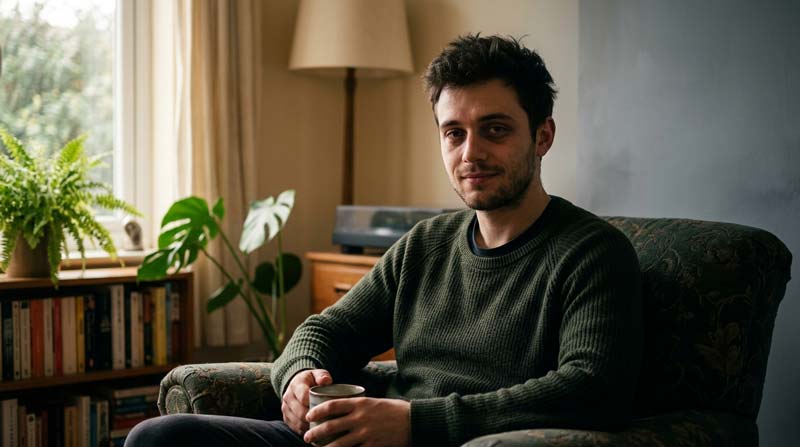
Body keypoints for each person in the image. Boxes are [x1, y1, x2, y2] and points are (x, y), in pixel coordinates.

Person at [125, 33, 642, 447]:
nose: (470, 154)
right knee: (162, 436)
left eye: (495, 129)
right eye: (453, 132)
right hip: (360, 436)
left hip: (449, 439)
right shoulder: (426, 245)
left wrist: (417, 423)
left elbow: (593, 389)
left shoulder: (591, 253)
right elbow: (327, 329)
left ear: (543, 136)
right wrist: (299, 379)